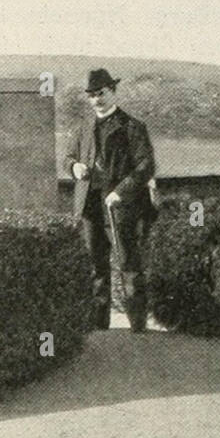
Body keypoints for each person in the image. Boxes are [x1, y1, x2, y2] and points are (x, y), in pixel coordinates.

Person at [64, 68, 158, 331]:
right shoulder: (82, 128)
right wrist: (74, 168)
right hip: (90, 206)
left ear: (113, 92)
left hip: (120, 207)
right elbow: (68, 158)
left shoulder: (132, 127)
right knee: (96, 266)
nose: (97, 100)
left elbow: (145, 166)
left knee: (129, 264)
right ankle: (100, 328)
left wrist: (121, 191)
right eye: (92, 95)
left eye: (101, 93)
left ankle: (138, 327)